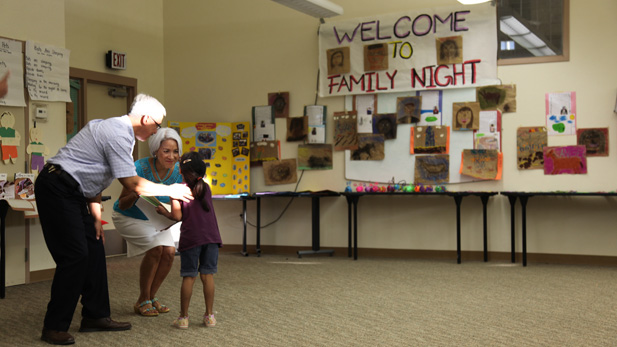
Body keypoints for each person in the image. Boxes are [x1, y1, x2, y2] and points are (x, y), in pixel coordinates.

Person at [35, 94, 193, 345]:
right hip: (56, 188)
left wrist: (96, 216)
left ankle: (95, 316)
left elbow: (95, 175)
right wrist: (170, 191)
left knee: (95, 248)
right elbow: (130, 183)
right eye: (157, 125)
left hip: (75, 192)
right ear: (145, 118)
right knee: (75, 256)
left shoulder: (120, 133)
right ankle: (53, 326)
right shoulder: (117, 133)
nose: (156, 131)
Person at [111, 128, 183, 317]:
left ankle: (151, 297)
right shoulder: (139, 168)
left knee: (169, 252)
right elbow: (123, 204)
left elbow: (179, 206)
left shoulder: (177, 172)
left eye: (175, 151)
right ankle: (143, 299)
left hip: (155, 218)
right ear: (155, 151)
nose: (171, 156)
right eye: (166, 151)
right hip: (127, 216)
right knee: (156, 249)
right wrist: (137, 192)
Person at [157, 151, 222, 330]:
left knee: (189, 276)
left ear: (181, 169)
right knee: (207, 276)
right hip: (211, 237)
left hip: (191, 238)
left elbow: (177, 216)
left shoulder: (177, 189)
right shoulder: (206, 187)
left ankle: (184, 318)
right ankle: (209, 316)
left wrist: (164, 212)